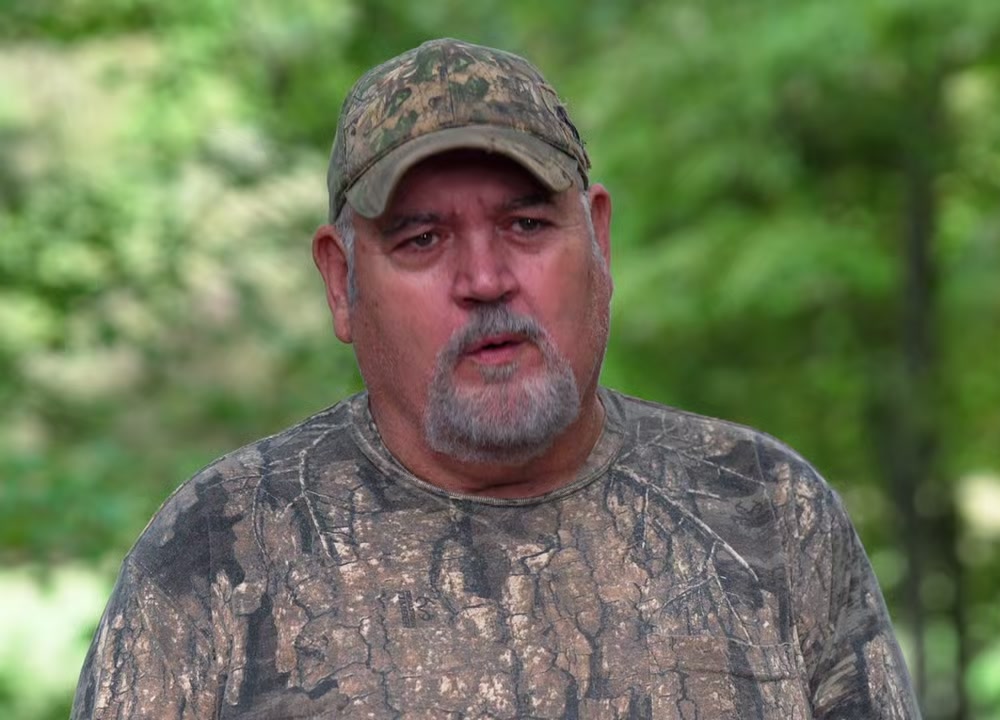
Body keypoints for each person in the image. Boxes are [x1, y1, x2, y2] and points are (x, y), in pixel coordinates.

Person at [72, 38, 920, 719]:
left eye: (526, 224)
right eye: (422, 240)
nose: (484, 279)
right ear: (340, 281)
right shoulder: (219, 553)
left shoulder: (769, 513)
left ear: (599, 242)